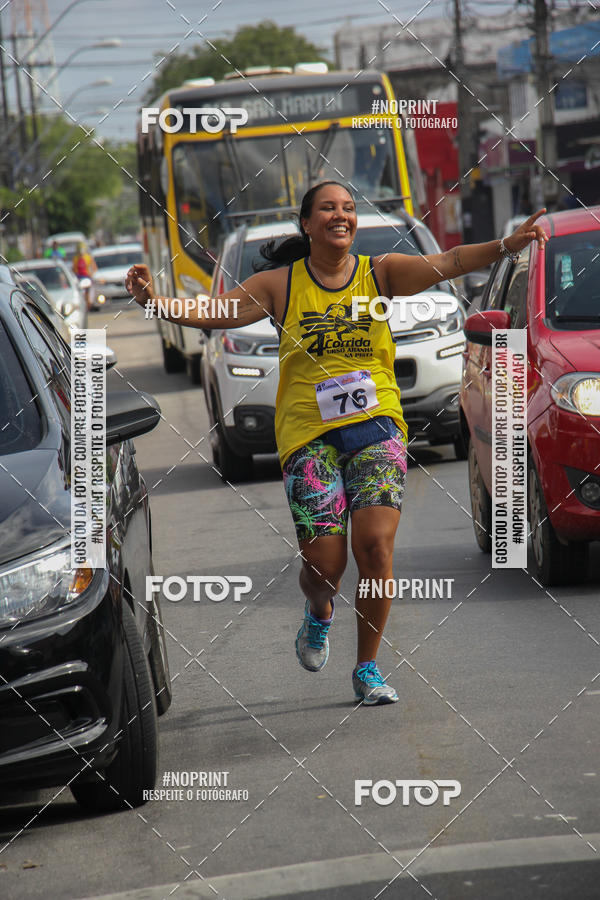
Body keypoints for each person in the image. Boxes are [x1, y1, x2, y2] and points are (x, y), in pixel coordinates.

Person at [126, 181, 548, 706]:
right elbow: (215, 314)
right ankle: (319, 611)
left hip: (376, 426)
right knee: (325, 564)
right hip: (308, 435)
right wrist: (152, 302)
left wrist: (509, 246)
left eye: (348, 208)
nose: (340, 216)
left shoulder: (381, 273)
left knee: (375, 546)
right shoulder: (279, 284)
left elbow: (451, 261)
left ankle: (367, 667)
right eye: (328, 208)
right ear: (307, 223)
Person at [72, 241, 97, 310]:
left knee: (88, 292)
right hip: (79, 278)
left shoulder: (88, 257)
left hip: (87, 277)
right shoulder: (75, 258)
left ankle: (88, 305)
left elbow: (94, 267)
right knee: (81, 293)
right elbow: (74, 269)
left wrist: (91, 274)